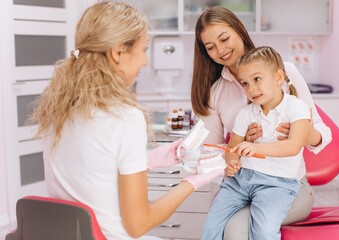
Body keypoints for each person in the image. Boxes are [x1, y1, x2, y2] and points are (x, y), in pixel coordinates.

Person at [28, 2, 223, 240]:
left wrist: (149, 161)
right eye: (143, 49)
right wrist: (192, 182)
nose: (145, 61)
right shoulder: (124, 118)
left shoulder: (57, 109)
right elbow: (138, 225)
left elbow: (92, 173)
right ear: (118, 53)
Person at [191, 6, 332, 239]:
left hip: (288, 184)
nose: (221, 50)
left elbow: (321, 134)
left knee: (237, 229)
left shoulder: (284, 71)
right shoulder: (215, 93)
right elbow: (213, 151)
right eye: (210, 47)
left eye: (224, 38)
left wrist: (300, 133)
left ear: (239, 30)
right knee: (218, 225)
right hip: (242, 183)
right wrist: (238, 149)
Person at [201, 46, 312, 239]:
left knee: (264, 231)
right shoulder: (246, 113)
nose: (251, 89)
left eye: (257, 79)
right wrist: (232, 162)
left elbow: (293, 146)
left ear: (278, 78)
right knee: (211, 225)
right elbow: (232, 148)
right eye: (245, 83)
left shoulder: (297, 108)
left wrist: (255, 147)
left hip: (278, 184)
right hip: (240, 180)